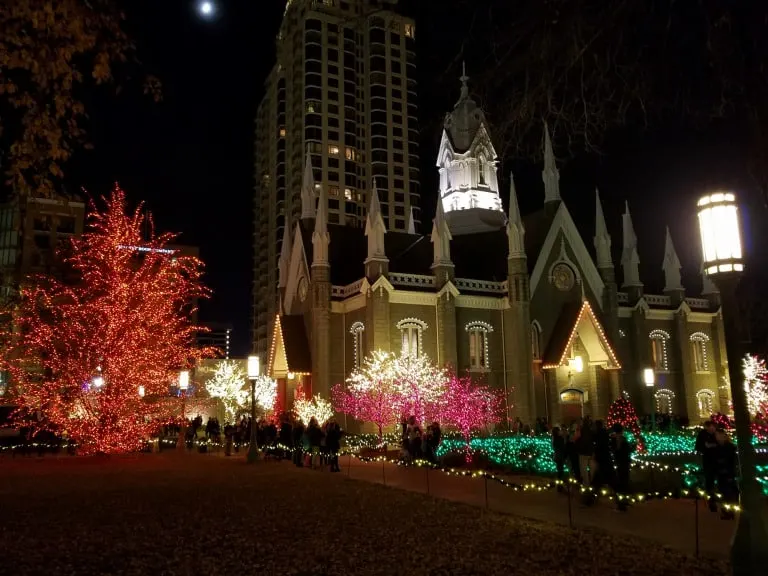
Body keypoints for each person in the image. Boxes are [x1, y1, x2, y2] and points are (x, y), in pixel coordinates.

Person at [714, 428, 738, 520]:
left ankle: (730, 511)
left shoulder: (729, 447)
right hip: (721, 473)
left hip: (728, 473)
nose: (716, 437)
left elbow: (730, 461)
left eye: (718, 435)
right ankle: (726, 510)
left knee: (729, 493)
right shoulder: (718, 447)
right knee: (724, 493)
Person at [695, 420, 718, 512]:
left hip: (718, 460)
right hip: (708, 460)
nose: (712, 429)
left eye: (713, 427)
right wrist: (705, 447)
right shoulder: (702, 434)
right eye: (709, 427)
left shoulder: (717, 433)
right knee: (710, 480)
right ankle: (712, 501)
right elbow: (699, 446)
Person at [611, 424, 633, 511]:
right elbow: (625, 451)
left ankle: (622, 504)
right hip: (624, 463)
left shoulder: (615, 439)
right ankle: (624, 502)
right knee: (624, 482)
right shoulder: (622, 439)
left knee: (621, 483)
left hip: (621, 464)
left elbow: (616, 451)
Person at [551, 426, 567, 492]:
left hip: (557, 456)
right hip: (560, 456)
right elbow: (562, 447)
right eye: (559, 430)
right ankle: (560, 486)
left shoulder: (554, 438)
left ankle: (559, 486)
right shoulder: (559, 438)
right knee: (560, 471)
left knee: (559, 471)